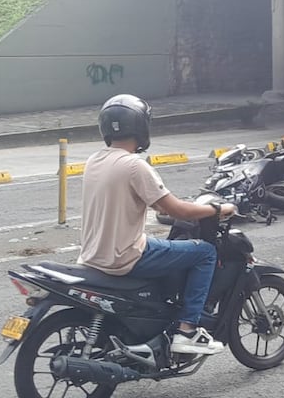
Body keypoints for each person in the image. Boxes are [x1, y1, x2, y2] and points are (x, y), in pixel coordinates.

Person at [78, 94, 237, 356]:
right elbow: (173, 208)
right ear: (141, 127)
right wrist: (218, 208)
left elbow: (150, 203)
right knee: (204, 252)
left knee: (165, 246)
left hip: (93, 255)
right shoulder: (134, 166)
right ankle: (187, 330)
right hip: (124, 257)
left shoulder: (94, 160)